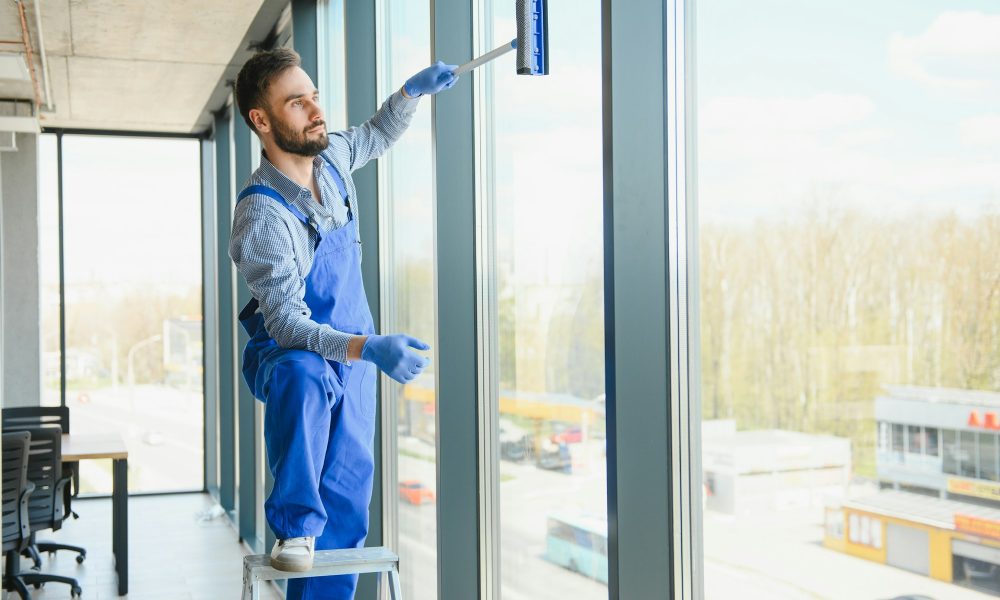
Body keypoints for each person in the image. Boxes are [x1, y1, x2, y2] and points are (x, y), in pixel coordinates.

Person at [229, 48, 457, 600]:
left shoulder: (331, 161)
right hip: (290, 352)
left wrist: (411, 93)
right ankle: (295, 527)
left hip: (355, 352)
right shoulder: (262, 213)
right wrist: (369, 347)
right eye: (295, 102)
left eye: (314, 96)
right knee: (304, 373)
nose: (314, 110)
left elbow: (376, 133)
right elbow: (286, 324)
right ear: (261, 120)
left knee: (350, 499)